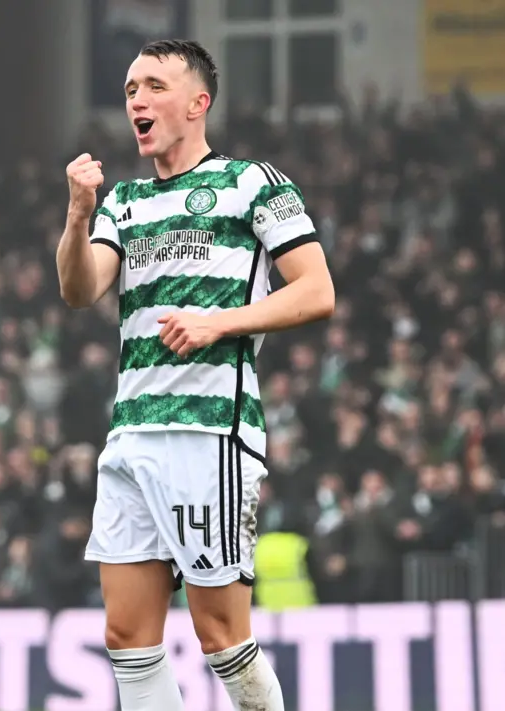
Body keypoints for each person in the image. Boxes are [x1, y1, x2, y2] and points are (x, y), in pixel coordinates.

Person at [56, 39, 334, 711]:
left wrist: (220, 322)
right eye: (129, 91)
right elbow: (79, 288)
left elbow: (317, 290)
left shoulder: (253, 183)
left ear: (197, 102)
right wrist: (77, 214)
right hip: (131, 438)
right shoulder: (122, 202)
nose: (137, 101)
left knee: (219, 634)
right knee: (126, 634)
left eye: (152, 86)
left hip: (208, 431)